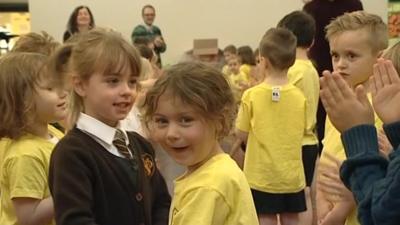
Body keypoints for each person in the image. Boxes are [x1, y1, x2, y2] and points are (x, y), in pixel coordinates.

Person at [48, 28, 171, 225]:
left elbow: (161, 203)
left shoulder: (140, 145)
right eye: (113, 81)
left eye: (132, 82)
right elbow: (76, 219)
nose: (127, 91)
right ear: (80, 85)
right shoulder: (72, 154)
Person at [143, 62, 259, 225]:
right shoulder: (220, 170)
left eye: (185, 120)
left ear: (220, 121)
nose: (171, 134)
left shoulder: (207, 187)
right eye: (162, 121)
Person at [315, 11, 388, 225]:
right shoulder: (339, 104)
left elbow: (382, 169)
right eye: (335, 55)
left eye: (352, 56)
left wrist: (342, 208)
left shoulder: (384, 107)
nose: (340, 64)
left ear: (379, 58)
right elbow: (327, 158)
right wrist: (321, 204)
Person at [236, 28, 306, 225]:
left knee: (264, 218)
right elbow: (304, 128)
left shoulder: (251, 95)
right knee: (291, 218)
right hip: (291, 175)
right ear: (291, 61)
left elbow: (240, 133)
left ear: (263, 61)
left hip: (261, 175)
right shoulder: (299, 96)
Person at [0, 52, 67, 225]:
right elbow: (29, 216)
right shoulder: (25, 155)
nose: (63, 92)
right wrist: (72, 189)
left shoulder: (52, 132)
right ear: (23, 99)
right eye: (50, 88)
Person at [303, 0, 363, 154]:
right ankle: (328, 152)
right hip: (322, 68)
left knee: (353, 102)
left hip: (349, 67)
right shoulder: (312, 7)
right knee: (325, 112)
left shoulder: (353, 4)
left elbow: (362, 32)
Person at [277, 10, 319, 225]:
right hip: (310, 139)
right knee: (305, 193)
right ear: (312, 41)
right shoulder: (311, 69)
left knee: (294, 199)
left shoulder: (290, 71)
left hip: (293, 142)